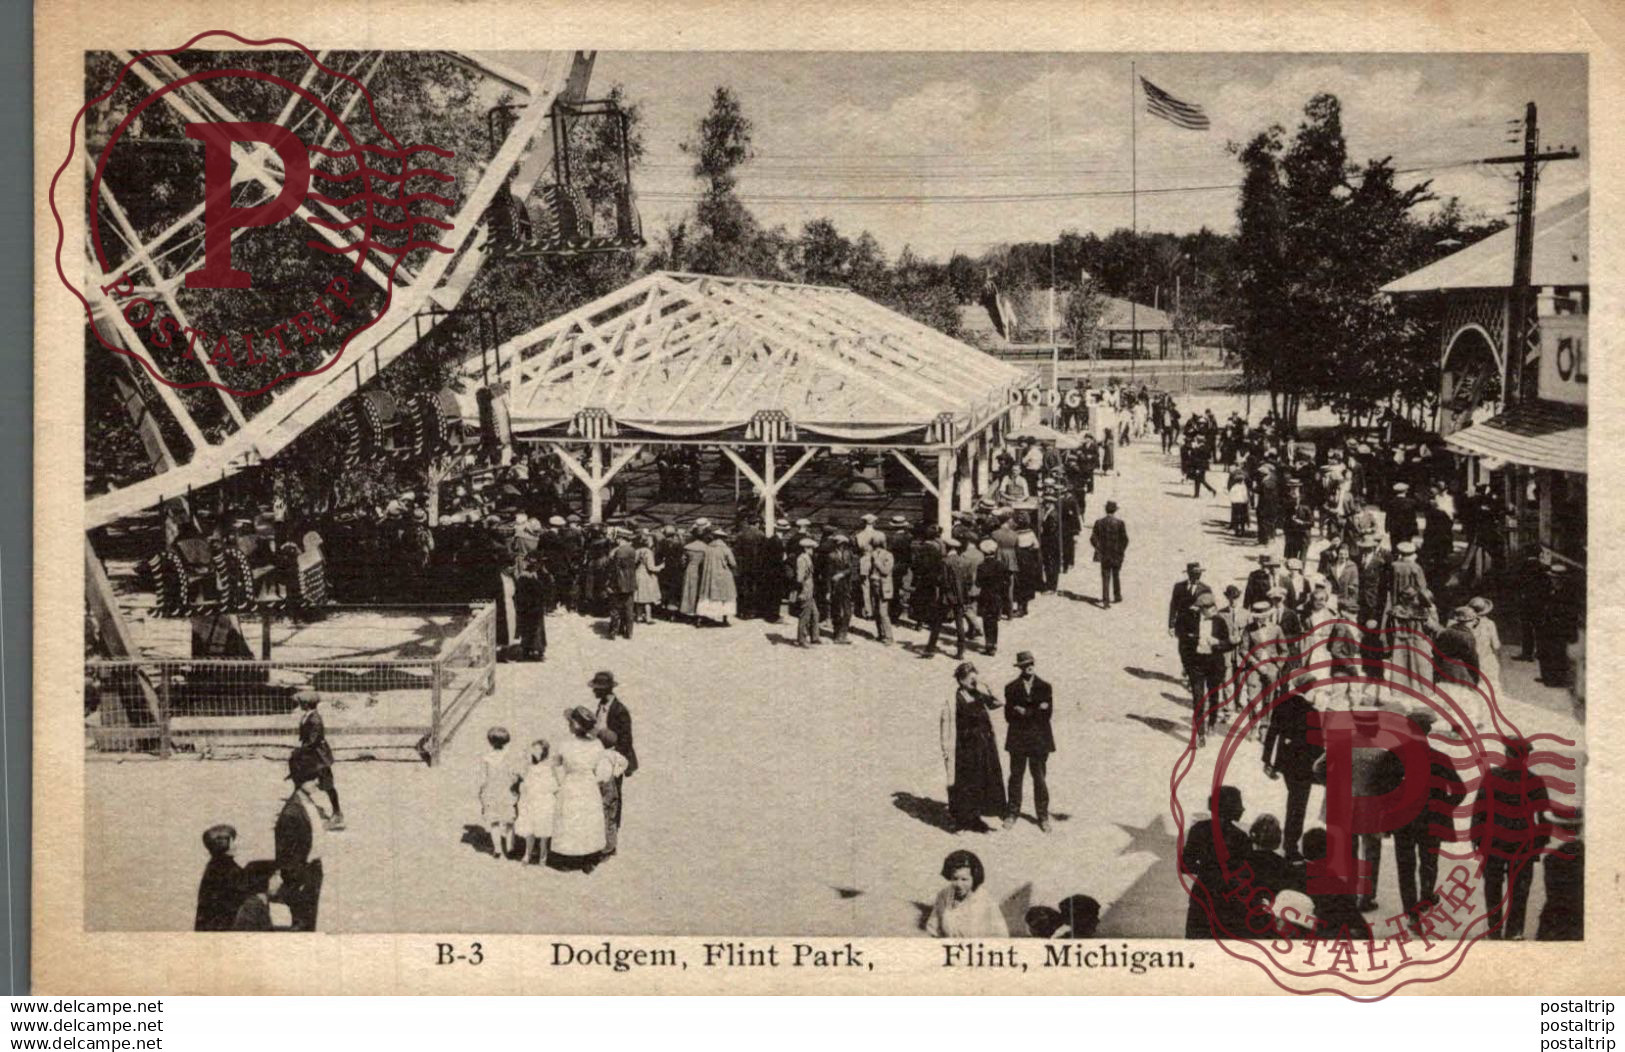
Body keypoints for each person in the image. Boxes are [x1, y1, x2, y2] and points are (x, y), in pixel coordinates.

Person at [1390, 708, 1466, 927]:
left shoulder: (1395, 755)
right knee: (1429, 860)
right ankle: (1426, 895)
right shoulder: (1440, 758)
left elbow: (1381, 788)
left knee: (1405, 865)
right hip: (1433, 819)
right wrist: (1445, 807)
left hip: (1403, 820)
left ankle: (1411, 910)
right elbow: (1459, 790)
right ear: (1429, 730)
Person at [1472, 737, 1550, 939]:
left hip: (1494, 842)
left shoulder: (1491, 776)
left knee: (1492, 888)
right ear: (1526, 757)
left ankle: (1494, 931)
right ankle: (1514, 931)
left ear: (1506, 753)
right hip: (1523, 844)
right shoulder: (1535, 781)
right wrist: (1538, 845)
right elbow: (1544, 818)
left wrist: (1477, 840)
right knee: (1520, 892)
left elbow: (1480, 810)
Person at [550, 706, 624, 871]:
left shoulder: (566, 744)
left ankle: (568, 858)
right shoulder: (597, 745)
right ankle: (588, 858)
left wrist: (560, 781)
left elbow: (555, 765)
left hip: (571, 783)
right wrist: (595, 779)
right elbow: (601, 770)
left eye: (570, 722)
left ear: (574, 725)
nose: (568, 725)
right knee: (588, 819)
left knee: (570, 818)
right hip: (588, 785)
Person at [941, 662, 1006, 833]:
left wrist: (988, 687)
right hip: (965, 749)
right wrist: (946, 749)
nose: (973, 681)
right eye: (970, 679)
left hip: (984, 747)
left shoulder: (978, 693)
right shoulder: (954, 699)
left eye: (975, 678)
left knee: (982, 782)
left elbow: (999, 703)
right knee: (964, 784)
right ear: (961, 680)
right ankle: (962, 821)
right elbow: (946, 725)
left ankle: (976, 818)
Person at [1182, 785, 1251, 939]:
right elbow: (1246, 875)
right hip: (1228, 900)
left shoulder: (1198, 830)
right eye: (1238, 804)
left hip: (1202, 894)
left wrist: (1207, 868)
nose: (1243, 809)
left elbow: (1185, 865)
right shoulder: (1241, 837)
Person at [275, 748, 331, 932]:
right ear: (300, 779)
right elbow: (286, 856)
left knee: (310, 920)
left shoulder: (307, 801)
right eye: (312, 778)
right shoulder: (291, 813)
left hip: (313, 871)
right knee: (302, 925)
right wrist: (296, 884)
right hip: (302, 878)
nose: (317, 782)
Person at [1261, 688, 1321, 862]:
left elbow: (1272, 733)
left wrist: (1267, 761)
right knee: (1298, 806)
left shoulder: (1282, 706)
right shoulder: (1312, 712)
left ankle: (1290, 844)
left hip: (1285, 763)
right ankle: (1291, 846)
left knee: (1293, 802)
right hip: (1304, 767)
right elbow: (1317, 746)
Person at [1002, 652, 1055, 832]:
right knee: (1016, 776)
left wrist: (1024, 712)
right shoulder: (1011, 688)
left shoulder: (1045, 687)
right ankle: (1012, 813)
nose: (1028, 666)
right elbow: (1009, 716)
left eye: (1031, 663)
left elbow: (1047, 715)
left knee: (1039, 778)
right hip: (1018, 739)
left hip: (1039, 740)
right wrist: (1035, 710)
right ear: (1019, 668)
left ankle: (1043, 816)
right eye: (1024, 665)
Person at [589, 670, 637, 858]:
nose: (593, 692)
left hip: (614, 760)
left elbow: (626, 742)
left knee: (613, 799)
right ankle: (605, 836)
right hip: (602, 758)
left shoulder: (620, 711)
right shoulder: (601, 705)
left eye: (597, 689)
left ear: (605, 690)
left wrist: (613, 762)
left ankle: (612, 840)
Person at [1180, 592, 1235, 746]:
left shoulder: (1220, 621)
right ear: (1201, 609)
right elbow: (1183, 646)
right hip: (1196, 665)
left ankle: (1211, 722)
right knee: (1198, 699)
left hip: (1214, 665)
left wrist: (1217, 643)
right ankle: (1200, 734)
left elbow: (1229, 644)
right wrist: (1186, 665)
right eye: (1209, 608)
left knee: (1213, 696)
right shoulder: (1190, 621)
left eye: (1213, 607)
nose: (1213, 610)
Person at [925, 849, 1008, 937]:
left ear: (974, 878)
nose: (959, 884)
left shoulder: (986, 900)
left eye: (964, 879)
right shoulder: (943, 895)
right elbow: (932, 930)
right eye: (955, 879)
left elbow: (1001, 935)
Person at [295, 689, 344, 830]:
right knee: (301, 781)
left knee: (327, 785)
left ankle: (337, 813)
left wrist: (300, 751)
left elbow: (313, 740)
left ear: (306, 704)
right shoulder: (307, 716)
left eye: (300, 702)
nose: (299, 705)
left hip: (318, 757)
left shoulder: (315, 719)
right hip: (310, 754)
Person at [479, 726, 520, 861]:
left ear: (490, 742)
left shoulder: (486, 758)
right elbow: (514, 775)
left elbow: (483, 778)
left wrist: (481, 792)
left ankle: (497, 849)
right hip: (507, 791)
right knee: (509, 822)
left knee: (494, 821)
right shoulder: (510, 757)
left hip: (491, 791)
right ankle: (510, 848)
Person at [194, 823, 246, 932]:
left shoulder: (214, 866)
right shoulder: (229, 869)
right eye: (233, 841)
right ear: (224, 844)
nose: (236, 845)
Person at [515, 739, 557, 866]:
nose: (534, 754)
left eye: (537, 751)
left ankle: (543, 856)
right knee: (529, 830)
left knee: (544, 832)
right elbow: (524, 783)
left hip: (544, 802)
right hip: (531, 801)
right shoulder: (530, 767)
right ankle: (527, 854)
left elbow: (554, 785)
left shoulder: (548, 768)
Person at [1089, 500, 1128, 608]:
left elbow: (1093, 538)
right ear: (1115, 511)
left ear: (1105, 510)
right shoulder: (1120, 523)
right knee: (1116, 575)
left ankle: (1105, 601)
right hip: (1116, 554)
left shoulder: (1099, 522)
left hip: (1104, 554)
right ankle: (1117, 596)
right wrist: (1121, 551)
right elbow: (1125, 540)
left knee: (1105, 576)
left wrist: (1098, 548)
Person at [697, 529, 738, 625]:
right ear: (723, 538)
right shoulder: (725, 549)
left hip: (709, 575)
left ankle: (700, 618)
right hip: (723, 575)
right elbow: (733, 563)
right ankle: (724, 619)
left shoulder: (707, 548)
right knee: (725, 596)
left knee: (707, 596)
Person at [974, 539, 1008, 657]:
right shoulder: (1001, 565)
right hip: (997, 595)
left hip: (985, 595)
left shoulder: (981, 567)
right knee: (994, 620)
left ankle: (988, 644)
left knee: (986, 620)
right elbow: (1006, 581)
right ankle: (994, 644)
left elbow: (978, 583)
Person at [860, 533, 895, 645]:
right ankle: (881, 634)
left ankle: (889, 637)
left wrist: (876, 561)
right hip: (874, 585)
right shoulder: (872, 554)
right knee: (876, 610)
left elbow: (886, 571)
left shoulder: (888, 555)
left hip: (884, 586)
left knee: (883, 612)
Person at [1467, 596, 1503, 700]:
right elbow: (1496, 645)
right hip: (1486, 659)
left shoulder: (1468, 625)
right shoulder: (1489, 624)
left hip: (1472, 659)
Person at [606, 529, 639, 639]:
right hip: (630, 583)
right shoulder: (633, 550)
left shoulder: (617, 551)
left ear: (620, 539)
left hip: (617, 583)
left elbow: (614, 569)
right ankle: (629, 632)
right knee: (629, 608)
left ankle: (613, 632)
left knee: (615, 608)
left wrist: (609, 584)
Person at [1168, 562, 1213, 637]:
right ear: (1189, 573)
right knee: (1183, 648)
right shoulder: (1179, 587)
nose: (1198, 575)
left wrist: (1200, 609)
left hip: (1197, 627)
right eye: (1195, 573)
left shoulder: (1205, 588)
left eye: (1199, 572)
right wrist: (1171, 626)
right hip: (1181, 627)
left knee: (1194, 647)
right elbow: (1173, 606)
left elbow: (1212, 610)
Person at [826, 534, 856, 644]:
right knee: (836, 611)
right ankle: (837, 634)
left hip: (846, 586)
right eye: (838, 544)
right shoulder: (831, 556)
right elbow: (828, 575)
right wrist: (828, 591)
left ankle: (843, 634)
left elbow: (850, 569)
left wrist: (842, 574)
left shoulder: (848, 554)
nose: (840, 546)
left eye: (842, 544)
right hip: (835, 587)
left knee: (848, 612)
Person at [793, 537, 820, 646]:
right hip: (805, 590)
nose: (812, 551)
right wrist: (803, 589)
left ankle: (815, 637)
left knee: (815, 614)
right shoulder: (802, 559)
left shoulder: (807, 558)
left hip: (810, 589)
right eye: (810, 548)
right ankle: (802, 639)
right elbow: (800, 578)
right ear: (805, 548)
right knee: (805, 615)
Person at [679, 526, 709, 622]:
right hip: (702, 571)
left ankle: (688, 612)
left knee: (688, 591)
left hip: (690, 569)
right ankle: (699, 614)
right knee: (700, 591)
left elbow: (683, 561)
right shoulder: (706, 548)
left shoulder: (688, 547)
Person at [633, 532, 663, 624]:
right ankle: (648, 617)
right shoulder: (648, 552)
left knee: (639, 597)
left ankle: (639, 616)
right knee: (647, 599)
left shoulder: (636, 551)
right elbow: (651, 567)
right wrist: (661, 566)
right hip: (646, 576)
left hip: (637, 574)